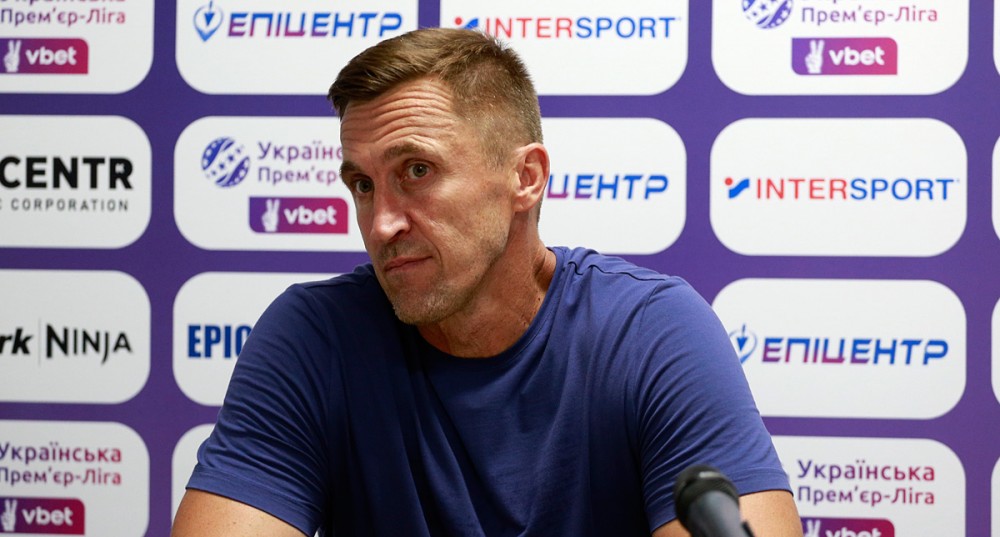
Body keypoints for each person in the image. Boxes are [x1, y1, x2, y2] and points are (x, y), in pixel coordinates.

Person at [172, 28, 803, 537]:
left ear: (525, 177)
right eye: (362, 185)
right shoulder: (315, 337)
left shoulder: (650, 331)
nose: (382, 223)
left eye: (417, 170)